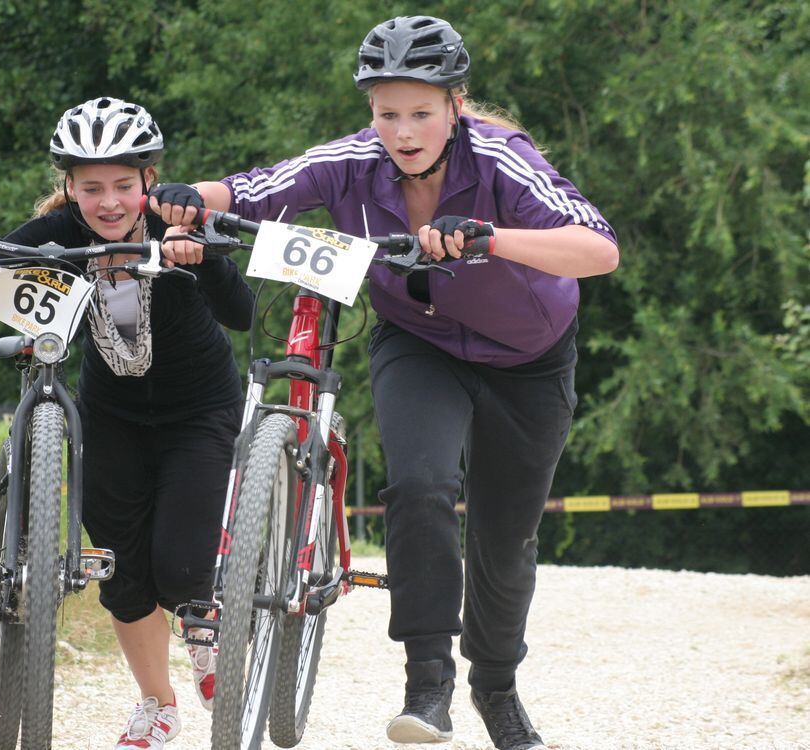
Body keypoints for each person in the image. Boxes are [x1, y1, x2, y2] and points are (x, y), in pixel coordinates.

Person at [148, 15, 618, 750]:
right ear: (370, 109)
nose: (402, 131)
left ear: (455, 106)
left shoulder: (502, 158)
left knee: (503, 539)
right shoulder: (352, 161)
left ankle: (496, 688)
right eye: (387, 112)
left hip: (529, 359)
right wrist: (188, 198)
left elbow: (598, 247)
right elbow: (254, 188)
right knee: (421, 485)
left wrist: (493, 238)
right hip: (420, 343)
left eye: (421, 113)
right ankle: (426, 684)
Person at [0, 96, 255, 750]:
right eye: (91, 188)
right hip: (112, 415)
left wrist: (205, 254)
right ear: (69, 187)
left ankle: (202, 629)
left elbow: (243, 314)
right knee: (123, 574)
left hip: (199, 410)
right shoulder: (55, 236)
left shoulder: (177, 224)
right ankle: (157, 704)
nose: (109, 202)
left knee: (180, 568)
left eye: (123, 185)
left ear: (149, 180)